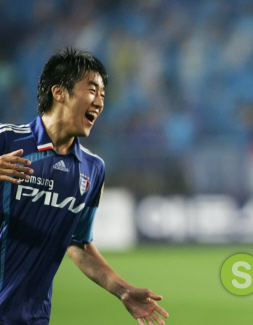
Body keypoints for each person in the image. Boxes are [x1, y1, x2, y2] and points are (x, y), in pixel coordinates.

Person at [0, 48, 169, 325]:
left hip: (32, 316)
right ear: (59, 92)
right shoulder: (8, 140)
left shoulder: (92, 169)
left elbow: (78, 242)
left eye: (103, 95)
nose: (100, 102)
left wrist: (123, 290)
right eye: (92, 90)